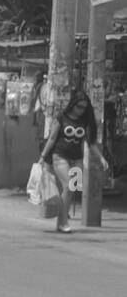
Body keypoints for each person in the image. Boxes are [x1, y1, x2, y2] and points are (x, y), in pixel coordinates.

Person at [40, 88, 109, 234]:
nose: (81, 110)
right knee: (69, 187)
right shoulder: (62, 117)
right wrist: (42, 156)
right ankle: (64, 222)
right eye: (79, 107)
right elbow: (52, 138)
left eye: (84, 107)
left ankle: (61, 222)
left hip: (77, 159)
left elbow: (90, 143)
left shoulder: (85, 121)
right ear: (73, 104)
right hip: (60, 157)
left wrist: (101, 158)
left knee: (71, 191)